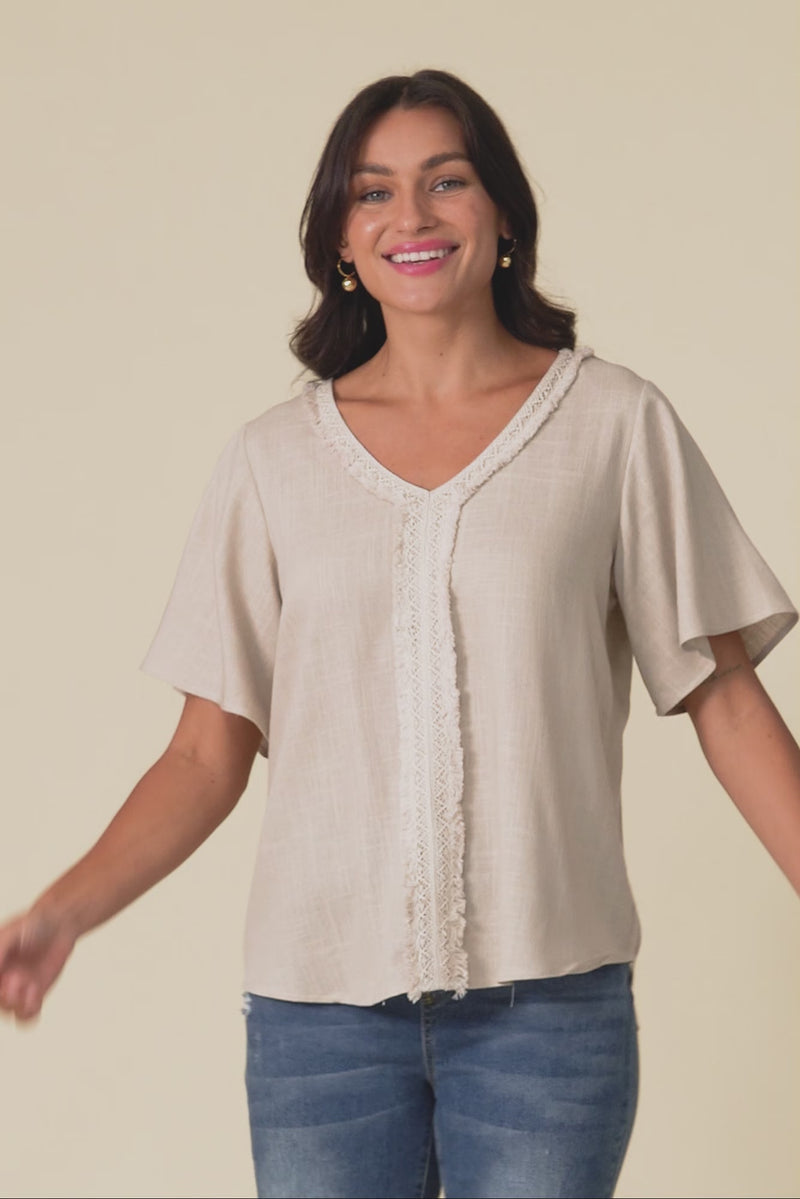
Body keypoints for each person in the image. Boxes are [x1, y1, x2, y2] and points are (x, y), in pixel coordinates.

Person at [1, 68, 798, 1199]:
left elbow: (725, 701)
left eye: (446, 181)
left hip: (548, 1014)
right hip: (317, 1025)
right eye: (373, 192)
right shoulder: (272, 460)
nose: (410, 216)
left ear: (503, 213)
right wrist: (61, 912)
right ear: (340, 236)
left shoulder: (614, 425)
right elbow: (204, 753)